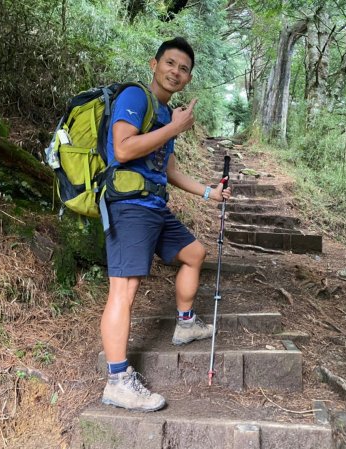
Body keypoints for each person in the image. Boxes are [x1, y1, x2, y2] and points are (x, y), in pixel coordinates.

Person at [99, 37, 231, 411]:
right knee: (123, 290)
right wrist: (174, 128)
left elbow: (168, 168)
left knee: (194, 253)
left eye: (184, 68)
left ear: (188, 79)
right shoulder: (135, 98)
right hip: (129, 206)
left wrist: (209, 193)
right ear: (154, 63)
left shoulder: (164, 112)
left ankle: (186, 323)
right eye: (171, 63)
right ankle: (117, 380)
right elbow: (123, 149)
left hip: (155, 206)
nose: (176, 71)